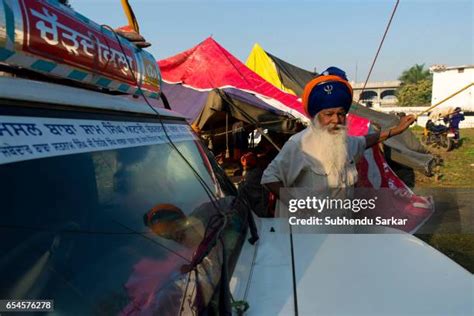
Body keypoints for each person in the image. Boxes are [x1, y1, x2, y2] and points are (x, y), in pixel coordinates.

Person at [261, 67, 416, 200]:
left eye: (341, 114)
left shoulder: (345, 142)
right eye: (329, 114)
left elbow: (366, 140)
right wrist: (299, 206)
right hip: (310, 231)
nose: (336, 119)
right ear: (316, 116)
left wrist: (396, 130)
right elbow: (269, 178)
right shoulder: (299, 144)